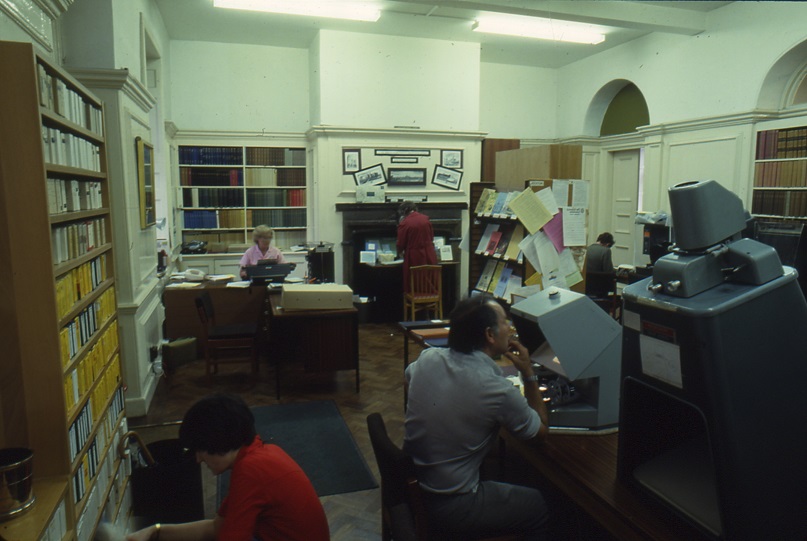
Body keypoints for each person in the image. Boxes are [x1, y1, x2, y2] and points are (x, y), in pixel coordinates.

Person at [403, 295, 550, 540]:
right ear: (490, 335)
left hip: (415, 487)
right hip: (452, 506)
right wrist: (528, 373)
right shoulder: (497, 390)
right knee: (537, 504)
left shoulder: (429, 358)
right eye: (505, 322)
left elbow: (409, 379)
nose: (509, 328)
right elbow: (540, 433)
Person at [126, 393, 329, 541]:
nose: (198, 459)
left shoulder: (251, 471)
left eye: (200, 450)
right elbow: (217, 527)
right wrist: (156, 531)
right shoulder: (260, 453)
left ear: (216, 443)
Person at [396, 202, 437, 293]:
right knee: (430, 278)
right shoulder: (426, 219)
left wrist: (399, 253)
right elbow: (431, 237)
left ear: (404, 211)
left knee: (415, 280)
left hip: (414, 255)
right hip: (430, 253)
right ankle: (431, 297)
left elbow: (400, 243)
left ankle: (416, 299)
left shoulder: (405, 223)